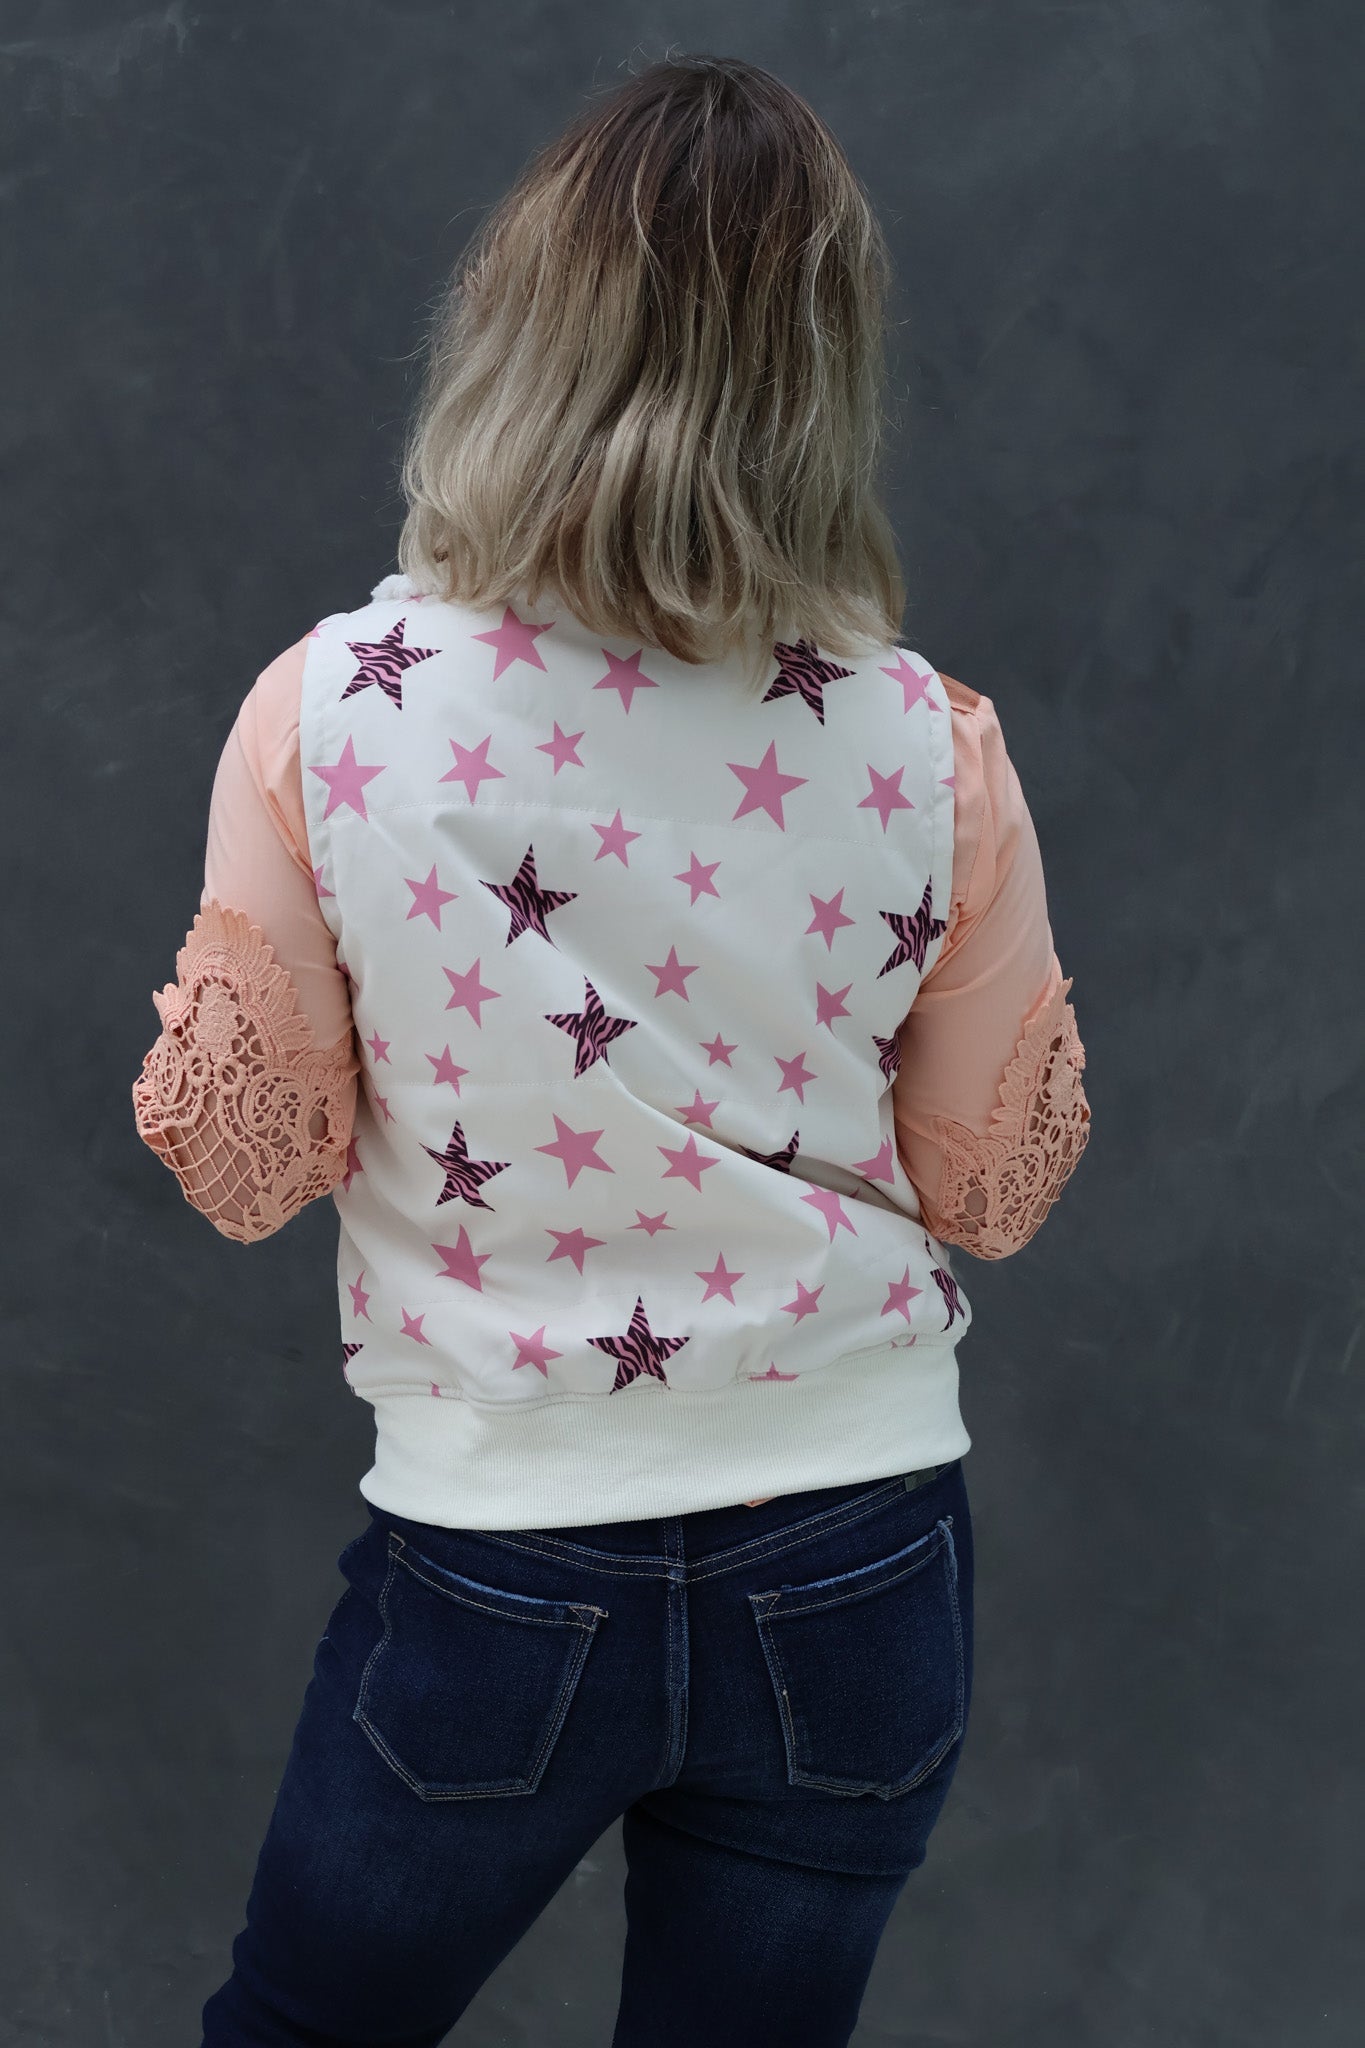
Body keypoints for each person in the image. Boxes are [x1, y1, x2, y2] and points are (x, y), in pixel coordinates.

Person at [132, 51, 1091, 2048]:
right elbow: (994, 1190)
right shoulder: (928, 738)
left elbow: (247, 1165)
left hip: (498, 1555)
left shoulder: (335, 709)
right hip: (858, 1542)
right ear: (822, 371)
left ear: (514, 337)